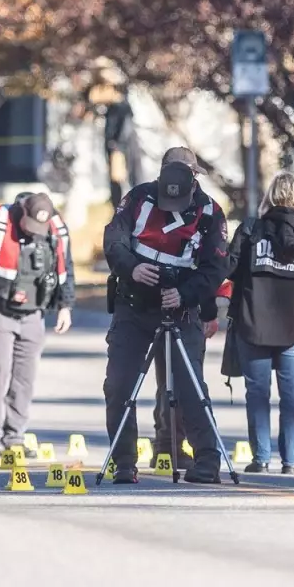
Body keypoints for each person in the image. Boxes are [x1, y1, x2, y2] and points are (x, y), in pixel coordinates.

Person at [102, 146, 230, 484]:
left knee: (190, 388)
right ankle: (124, 461)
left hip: (180, 309)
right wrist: (132, 268)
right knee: (119, 385)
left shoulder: (210, 212)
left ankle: (207, 461)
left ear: (194, 181)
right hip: (134, 306)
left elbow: (216, 267)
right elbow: (114, 240)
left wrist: (186, 294)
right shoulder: (138, 199)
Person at [226, 171, 294, 474]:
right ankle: (290, 462)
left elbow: (228, 268)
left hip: (252, 325)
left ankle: (260, 459)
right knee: (291, 393)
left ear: (269, 197)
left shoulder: (250, 230)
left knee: (257, 392)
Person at [0, 192, 75, 456]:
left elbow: (66, 269)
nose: (34, 232)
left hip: (34, 314)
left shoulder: (56, 229)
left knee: (25, 377)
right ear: (21, 212)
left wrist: (65, 306)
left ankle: (15, 437)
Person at [150, 298, 219, 469]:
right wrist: (209, 312)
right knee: (187, 382)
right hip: (186, 311)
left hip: (167, 306)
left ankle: (167, 443)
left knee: (169, 381)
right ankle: (170, 444)